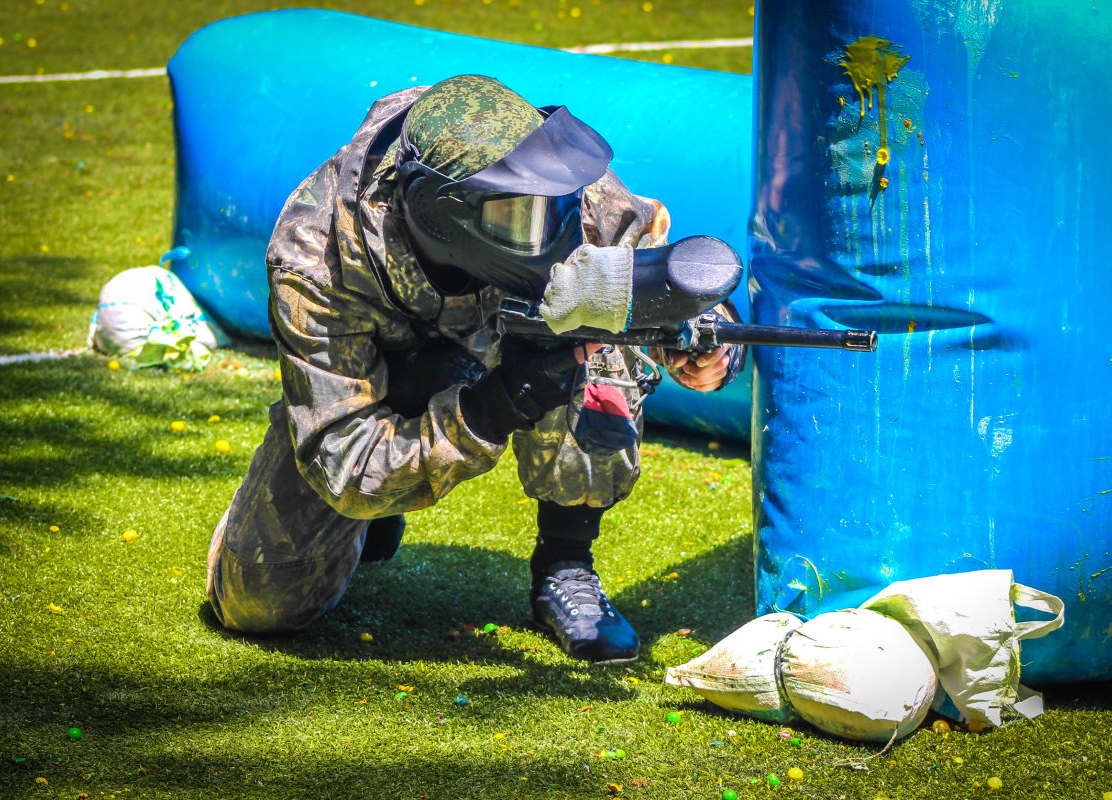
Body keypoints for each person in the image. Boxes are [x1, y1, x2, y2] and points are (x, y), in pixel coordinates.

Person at [205, 75, 742, 663]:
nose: (555, 226)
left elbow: (642, 264)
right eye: (523, 217)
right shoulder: (319, 258)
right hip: (377, 391)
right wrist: (492, 408)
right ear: (441, 213)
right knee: (259, 603)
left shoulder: (544, 179)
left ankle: (566, 561)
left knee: (599, 336)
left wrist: (704, 340)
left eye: (558, 205)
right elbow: (346, 457)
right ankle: (377, 512)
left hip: (504, 341)